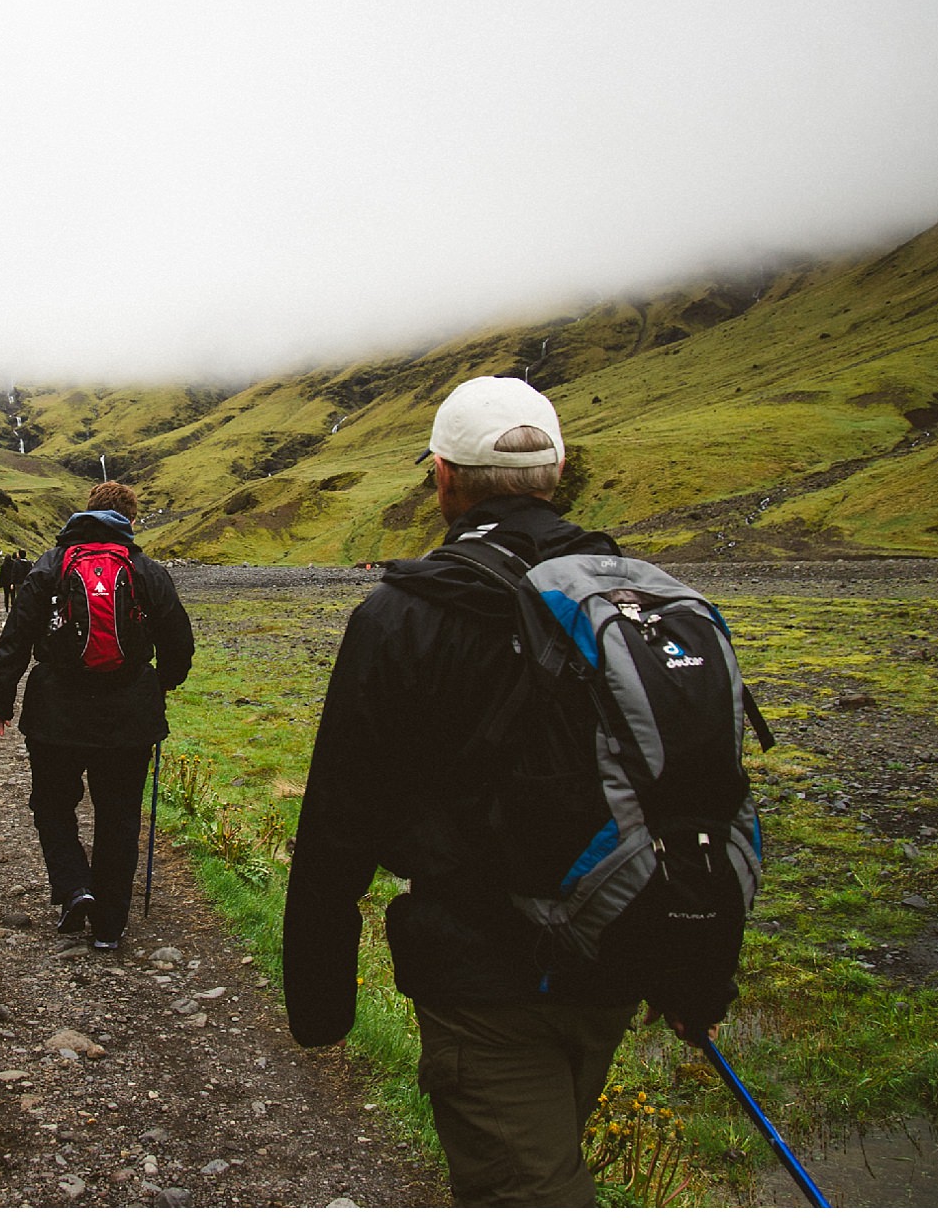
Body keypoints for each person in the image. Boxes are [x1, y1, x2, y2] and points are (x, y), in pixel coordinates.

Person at [282, 375, 733, 1206]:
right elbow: (698, 790)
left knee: (525, 1189)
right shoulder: (640, 597)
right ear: (555, 474)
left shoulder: (403, 615)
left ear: (444, 478)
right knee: (548, 1165)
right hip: (615, 947)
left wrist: (319, 998)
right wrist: (695, 965)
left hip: (481, 974)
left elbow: (341, 817)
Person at [0, 482, 194, 950]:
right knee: (119, 815)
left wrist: (0, 701)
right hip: (129, 717)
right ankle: (109, 926)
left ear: (86, 514)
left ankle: (75, 886)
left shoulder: (50, 565)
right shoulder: (145, 569)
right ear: (130, 520)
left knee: (52, 805)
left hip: (55, 714)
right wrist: (158, 684)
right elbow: (179, 640)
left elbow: (16, 635)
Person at [0, 547, 30, 613]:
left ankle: (9, 608)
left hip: (16, 583)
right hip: (25, 582)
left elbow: (13, 574)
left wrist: (11, 582)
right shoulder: (28, 563)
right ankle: (19, 609)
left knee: (9, 595)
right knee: (19, 596)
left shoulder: (15, 564)